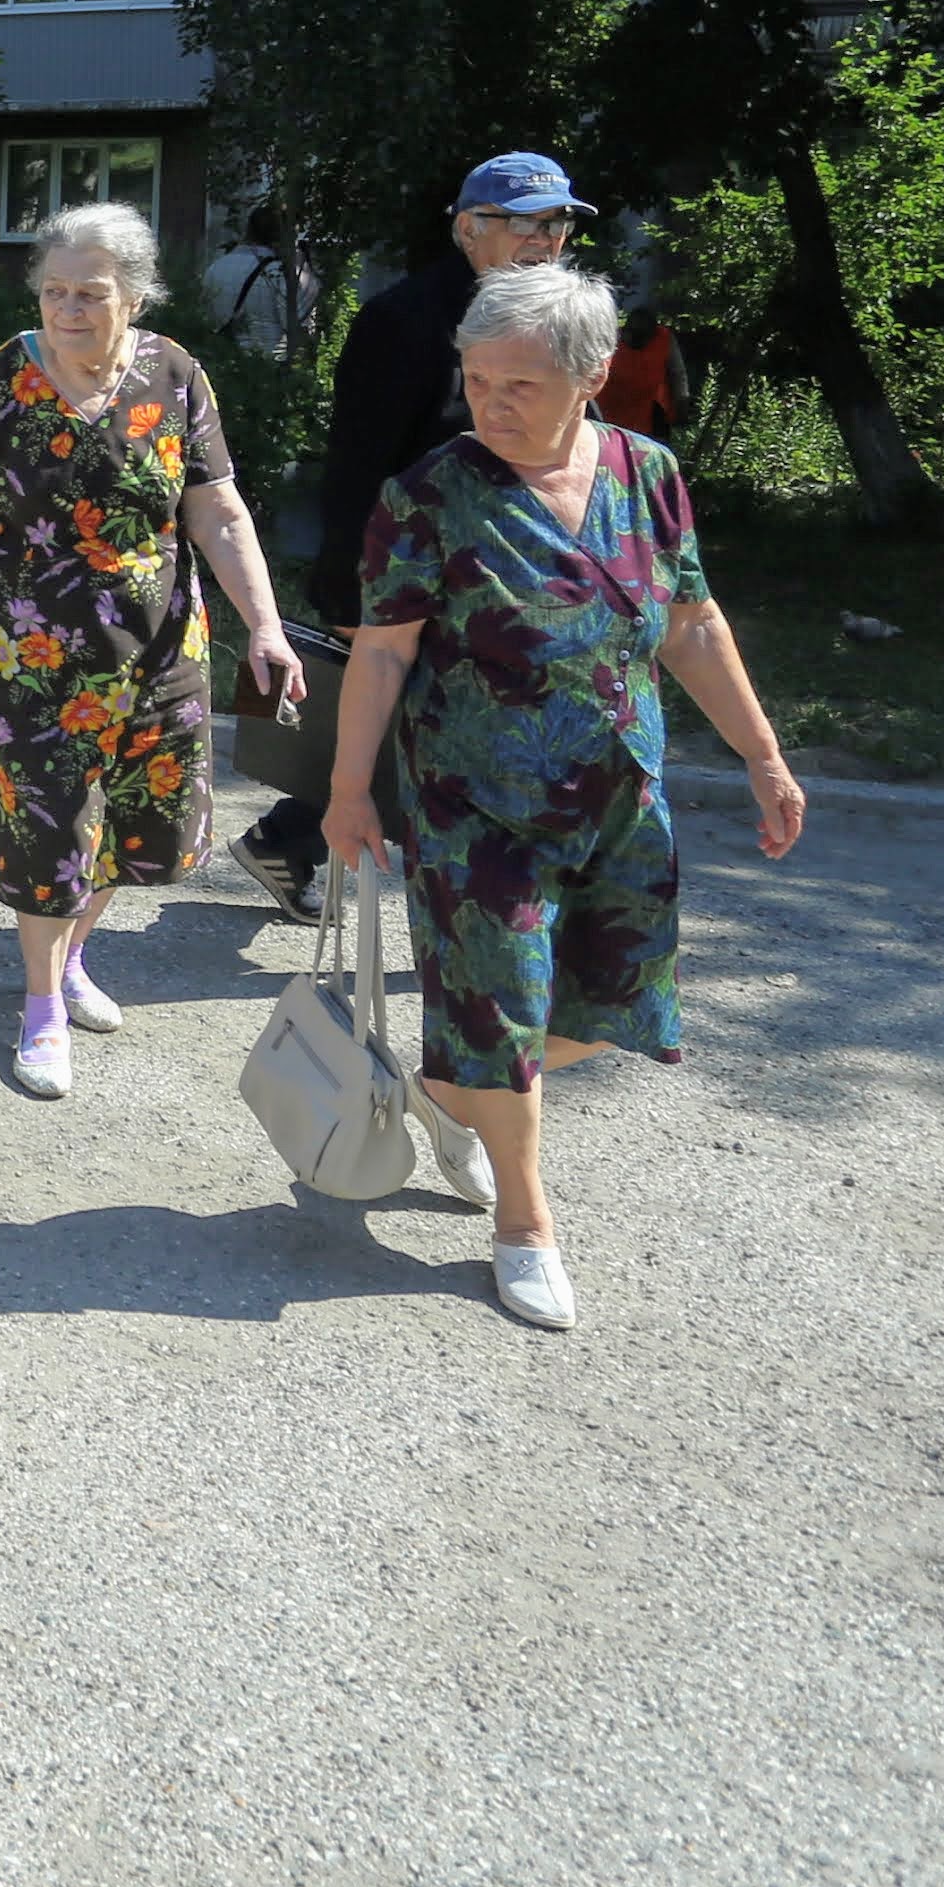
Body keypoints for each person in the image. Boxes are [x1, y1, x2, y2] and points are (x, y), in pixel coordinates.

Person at [316, 262, 805, 1331]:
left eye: (518, 385)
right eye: (475, 380)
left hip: (620, 797)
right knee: (502, 1015)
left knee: (612, 1005)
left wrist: (763, 755)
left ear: (590, 376)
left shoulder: (646, 471)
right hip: (475, 807)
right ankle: (523, 1221)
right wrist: (348, 791)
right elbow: (382, 654)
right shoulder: (428, 494)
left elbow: (691, 624)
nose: (488, 404)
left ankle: (450, 1089)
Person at [0, 202, 307, 1100]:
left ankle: (74, 954)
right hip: (36, 661)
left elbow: (217, 511)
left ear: (135, 297)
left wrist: (265, 624)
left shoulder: (174, 374)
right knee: (47, 831)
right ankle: (41, 1005)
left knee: (135, 829)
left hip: (161, 653)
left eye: (90, 293)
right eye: (54, 290)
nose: (68, 308)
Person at [227, 150, 596, 920]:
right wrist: (347, 592)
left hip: (517, 582)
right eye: (523, 223)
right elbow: (357, 468)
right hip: (416, 579)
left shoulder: (558, 324)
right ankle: (474, 909)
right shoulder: (404, 322)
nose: (544, 240)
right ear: (468, 229)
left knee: (442, 727)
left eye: (556, 223)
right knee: (420, 724)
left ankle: (290, 840)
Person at [199, 199, 305, 358]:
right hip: (267, 363)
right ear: (281, 238)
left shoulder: (216, 268)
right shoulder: (279, 274)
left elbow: (206, 318)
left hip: (224, 361)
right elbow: (295, 331)